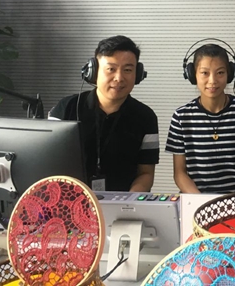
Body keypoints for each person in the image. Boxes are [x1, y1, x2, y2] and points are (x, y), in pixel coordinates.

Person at [49, 35, 159, 192]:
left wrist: (130, 200)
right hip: (69, 200)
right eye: (111, 69)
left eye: (128, 70)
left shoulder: (146, 117)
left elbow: (146, 173)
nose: (119, 78)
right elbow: (49, 164)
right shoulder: (66, 108)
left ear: (138, 74)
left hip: (123, 202)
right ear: (93, 71)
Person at [165, 43, 235, 193]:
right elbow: (179, 173)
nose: (212, 80)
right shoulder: (181, 118)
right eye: (205, 73)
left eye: (220, 72)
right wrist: (201, 201)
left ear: (230, 74)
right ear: (192, 75)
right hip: (197, 202)